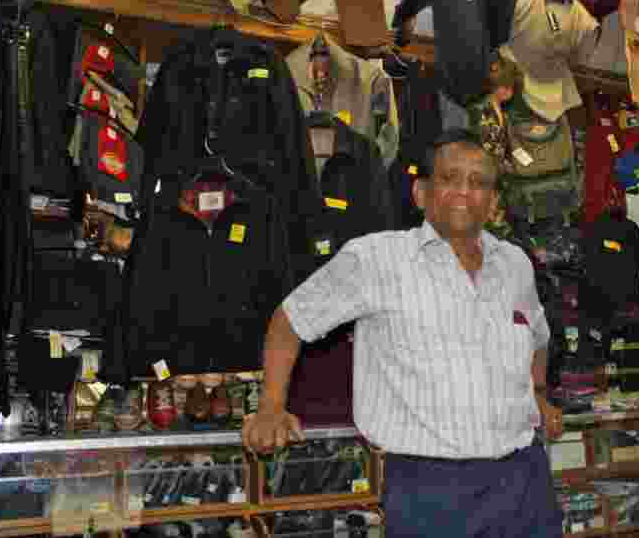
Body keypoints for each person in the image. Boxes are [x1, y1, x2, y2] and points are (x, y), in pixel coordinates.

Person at [242, 129, 565, 537]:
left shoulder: (515, 264)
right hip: (429, 490)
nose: (465, 191)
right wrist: (272, 405)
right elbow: (290, 320)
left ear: (495, 202)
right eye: (449, 178)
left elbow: (537, 335)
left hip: (525, 481)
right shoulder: (376, 259)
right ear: (420, 193)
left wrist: (538, 394)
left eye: (479, 182)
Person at [467, 50, 523, 239]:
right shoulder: (480, 110)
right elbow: (484, 148)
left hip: (497, 180)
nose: (510, 91)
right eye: (506, 86)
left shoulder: (502, 111)